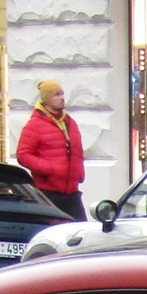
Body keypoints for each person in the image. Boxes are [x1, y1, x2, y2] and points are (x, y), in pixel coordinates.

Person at [15, 79, 87, 219]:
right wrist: (49, 169)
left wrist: (79, 173)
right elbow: (23, 155)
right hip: (48, 194)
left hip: (72, 193)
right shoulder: (35, 125)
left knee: (81, 232)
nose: (61, 98)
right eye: (56, 95)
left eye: (62, 94)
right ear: (46, 99)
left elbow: (78, 152)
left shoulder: (70, 123)